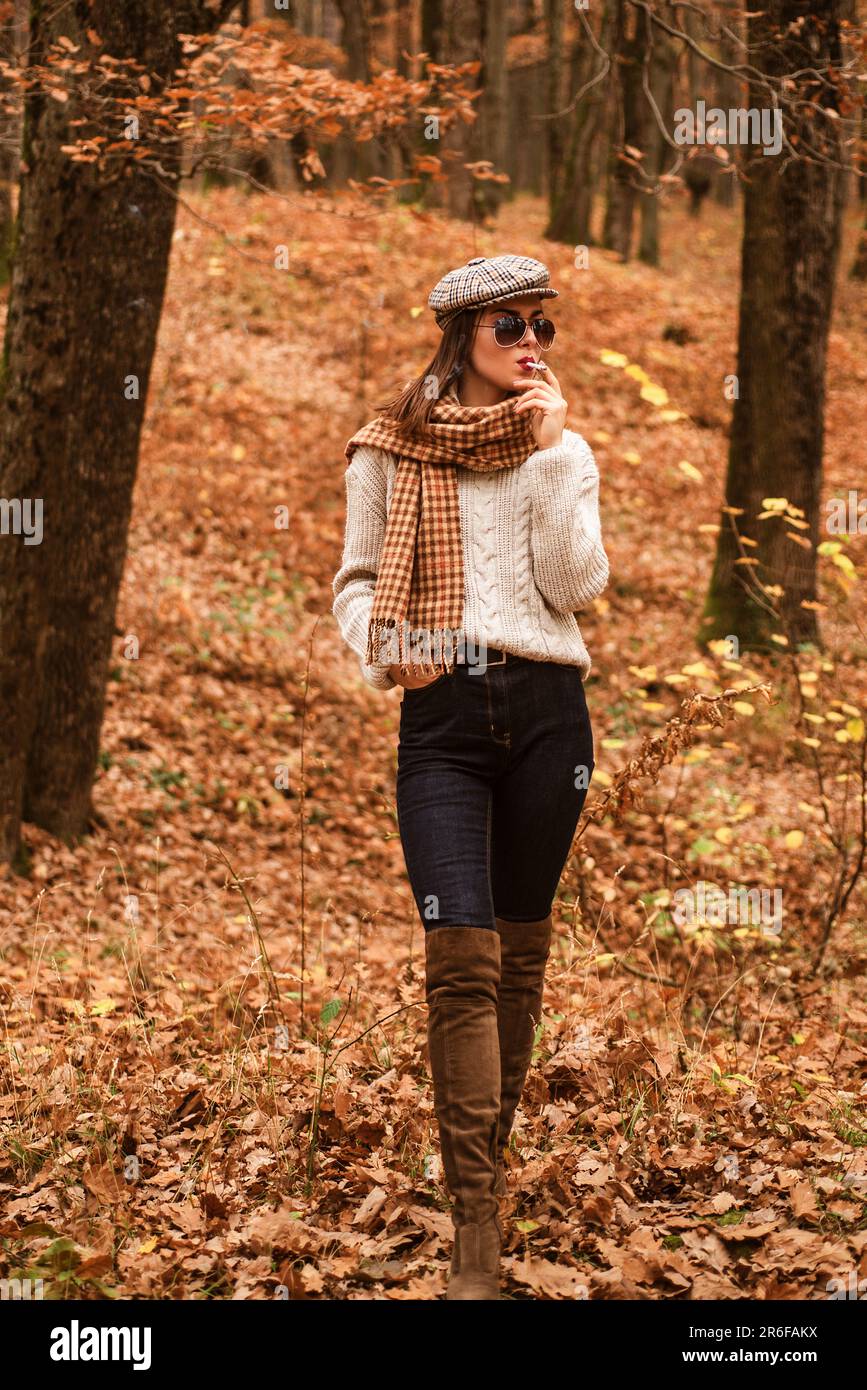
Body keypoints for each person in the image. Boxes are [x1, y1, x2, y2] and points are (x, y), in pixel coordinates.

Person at [332, 254, 609, 1299]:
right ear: (460, 335)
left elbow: (577, 583)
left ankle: (479, 1183)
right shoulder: (387, 446)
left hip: (548, 710)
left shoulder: (561, 444)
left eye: (543, 323)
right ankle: (477, 1239)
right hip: (442, 716)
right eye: (510, 327)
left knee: (519, 957)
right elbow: (355, 580)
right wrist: (387, 642)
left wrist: (552, 455)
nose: (532, 342)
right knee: (461, 957)